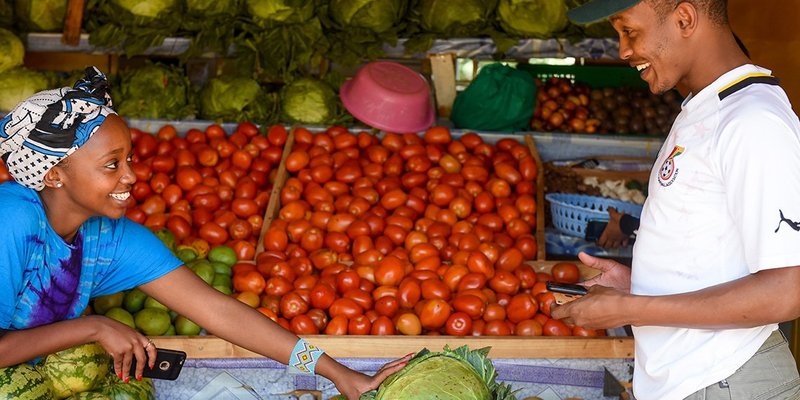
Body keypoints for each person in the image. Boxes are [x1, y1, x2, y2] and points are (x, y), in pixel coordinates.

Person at [0, 67, 409, 399]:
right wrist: (94, 327)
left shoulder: (107, 238)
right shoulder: (12, 219)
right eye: (112, 165)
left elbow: (220, 313)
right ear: (54, 175)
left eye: (130, 158)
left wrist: (337, 373)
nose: (132, 175)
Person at [554, 1, 800, 399]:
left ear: (684, 19)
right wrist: (638, 286)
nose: (623, 51)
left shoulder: (753, 122)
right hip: (700, 381)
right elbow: (711, 259)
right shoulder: (705, 109)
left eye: (629, 31)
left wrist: (631, 309)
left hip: (728, 381)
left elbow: (787, 290)